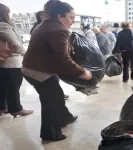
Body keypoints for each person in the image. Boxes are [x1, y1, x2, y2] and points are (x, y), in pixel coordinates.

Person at [22, 0, 92, 141]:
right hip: (39, 72)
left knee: (57, 94)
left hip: (33, 68)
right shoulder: (58, 29)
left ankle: (64, 118)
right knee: (50, 102)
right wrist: (82, 71)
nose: (73, 21)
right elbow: (63, 59)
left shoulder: (46, 24)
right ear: (60, 16)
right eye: (71, 17)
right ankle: (50, 133)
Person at [0, 3, 33, 117]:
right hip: (11, 62)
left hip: (3, 63)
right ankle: (16, 109)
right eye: (9, 13)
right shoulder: (3, 26)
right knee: (13, 87)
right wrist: (28, 54)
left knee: (3, 86)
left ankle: (2, 108)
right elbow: (16, 44)